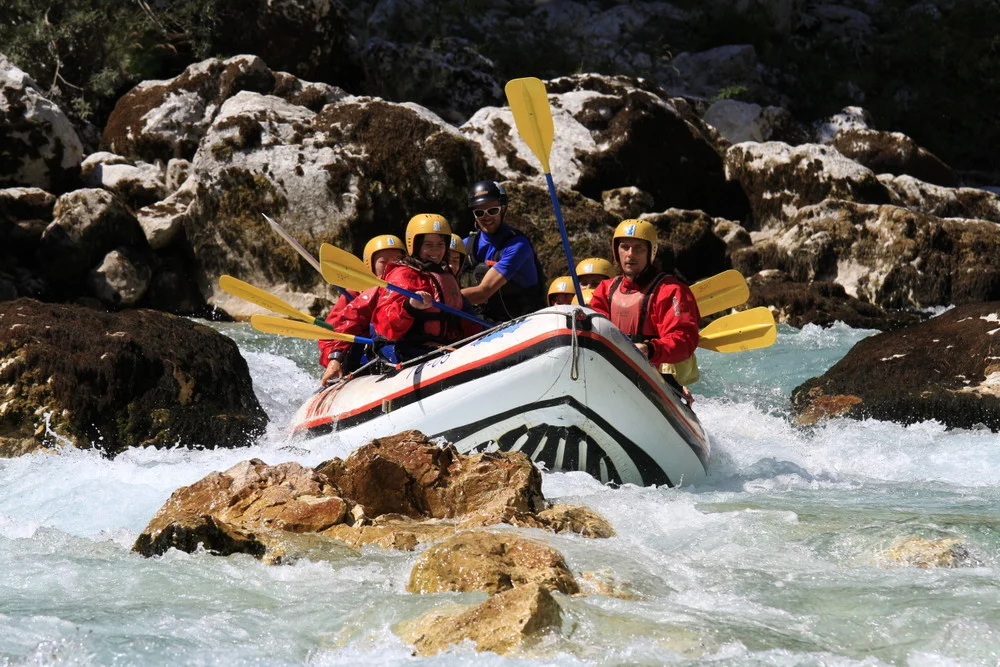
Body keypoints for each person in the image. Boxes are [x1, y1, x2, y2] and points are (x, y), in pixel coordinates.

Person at [588, 219, 700, 403]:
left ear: (651, 252)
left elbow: (683, 339)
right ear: (616, 251)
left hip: (653, 376)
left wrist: (651, 348)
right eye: (624, 247)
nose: (630, 254)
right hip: (611, 374)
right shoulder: (605, 289)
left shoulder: (671, 290)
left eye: (638, 248)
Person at [371, 213, 482, 362]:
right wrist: (410, 306)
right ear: (416, 245)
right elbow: (386, 325)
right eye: (428, 245)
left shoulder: (444, 275)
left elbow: (467, 318)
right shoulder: (404, 274)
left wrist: (484, 337)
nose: (436, 251)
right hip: (412, 349)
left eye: (440, 244)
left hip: (447, 344)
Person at [319, 234, 404, 385]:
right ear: (370, 265)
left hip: (400, 349)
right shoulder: (354, 293)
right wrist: (334, 359)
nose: (391, 266)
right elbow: (330, 335)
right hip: (363, 355)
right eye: (383, 262)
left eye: (397, 261)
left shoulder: (411, 286)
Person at [461, 180, 545, 321]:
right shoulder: (466, 244)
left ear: (503, 209)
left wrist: (444, 298)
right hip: (485, 322)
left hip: (523, 323)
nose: (486, 217)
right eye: (480, 212)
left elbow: (483, 293)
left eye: (492, 211)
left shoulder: (517, 245)